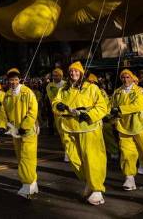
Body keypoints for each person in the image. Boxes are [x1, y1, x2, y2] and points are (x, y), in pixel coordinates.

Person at [52, 62, 108, 206]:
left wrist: (89, 115)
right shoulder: (64, 89)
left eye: (76, 72)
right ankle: (89, 182)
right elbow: (56, 102)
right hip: (69, 128)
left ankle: (97, 189)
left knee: (92, 158)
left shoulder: (92, 88)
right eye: (71, 72)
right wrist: (58, 106)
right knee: (74, 158)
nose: (73, 74)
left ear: (82, 73)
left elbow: (102, 106)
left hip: (88, 128)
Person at [110, 69, 143, 191]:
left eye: (128, 77)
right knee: (126, 153)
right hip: (124, 126)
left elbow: (138, 105)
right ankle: (129, 177)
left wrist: (119, 109)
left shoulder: (141, 91)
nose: (125, 80)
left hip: (141, 126)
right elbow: (111, 107)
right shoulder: (117, 92)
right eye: (123, 77)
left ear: (133, 78)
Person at [3, 68, 38, 199]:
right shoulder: (7, 95)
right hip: (15, 132)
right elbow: (5, 113)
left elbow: (33, 111)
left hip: (28, 131)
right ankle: (33, 182)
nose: (13, 82)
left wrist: (25, 126)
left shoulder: (28, 92)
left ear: (19, 80)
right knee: (20, 158)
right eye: (10, 80)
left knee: (27, 158)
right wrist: (4, 126)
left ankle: (27, 185)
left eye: (15, 79)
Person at [46, 68, 68, 161]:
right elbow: (52, 98)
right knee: (61, 133)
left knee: (68, 132)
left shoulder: (66, 84)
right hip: (57, 113)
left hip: (67, 112)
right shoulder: (49, 86)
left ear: (61, 76)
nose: (55, 77)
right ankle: (67, 151)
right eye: (54, 75)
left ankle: (69, 152)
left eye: (57, 75)